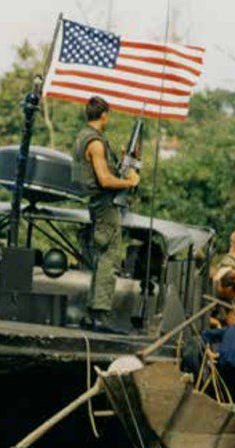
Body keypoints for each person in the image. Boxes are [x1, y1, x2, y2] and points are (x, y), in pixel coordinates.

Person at [72, 96, 140, 331]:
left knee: (103, 259)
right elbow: (104, 179)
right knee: (108, 260)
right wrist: (129, 182)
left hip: (98, 205)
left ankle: (94, 314)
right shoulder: (96, 143)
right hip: (105, 206)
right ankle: (100, 315)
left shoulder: (85, 137)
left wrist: (124, 162)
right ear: (104, 115)